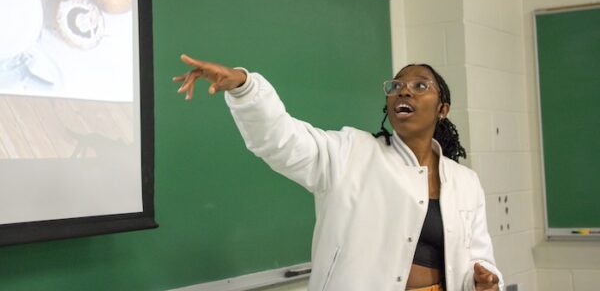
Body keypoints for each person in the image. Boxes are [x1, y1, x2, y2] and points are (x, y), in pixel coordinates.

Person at [174, 54, 504, 291]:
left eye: (420, 86)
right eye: (397, 85)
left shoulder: (465, 183)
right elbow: (281, 140)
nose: (404, 91)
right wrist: (245, 88)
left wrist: (486, 282)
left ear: (442, 109)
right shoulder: (350, 152)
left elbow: (479, 259)